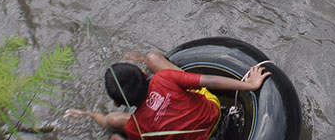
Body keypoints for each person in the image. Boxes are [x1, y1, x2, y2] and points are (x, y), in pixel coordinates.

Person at [65, 50, 269, 140]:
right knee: (154, 57)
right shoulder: (164, 78)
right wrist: (250, 85)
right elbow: (211, 81)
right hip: (215, 113)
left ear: (119, 102)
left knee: (113, 121)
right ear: (145, 74)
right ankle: (138, 57)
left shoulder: (136, 128)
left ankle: (89, 116)